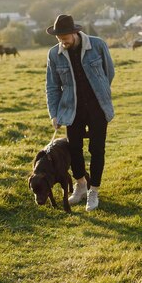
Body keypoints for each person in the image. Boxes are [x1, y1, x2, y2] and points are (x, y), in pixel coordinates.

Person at [45, 14, 115, 211]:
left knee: (97, 149)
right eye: (59, 39)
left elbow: (109, 72)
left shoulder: (98, 45)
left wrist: (100, 91)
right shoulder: (53, 54)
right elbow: (52, 86)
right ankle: (81, 185)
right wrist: (54, 113)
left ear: (75, 33)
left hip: (97, 107)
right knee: (74, 149)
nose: (62, 42)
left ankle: (94, 190)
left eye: (65, 38)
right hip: (71, 109)